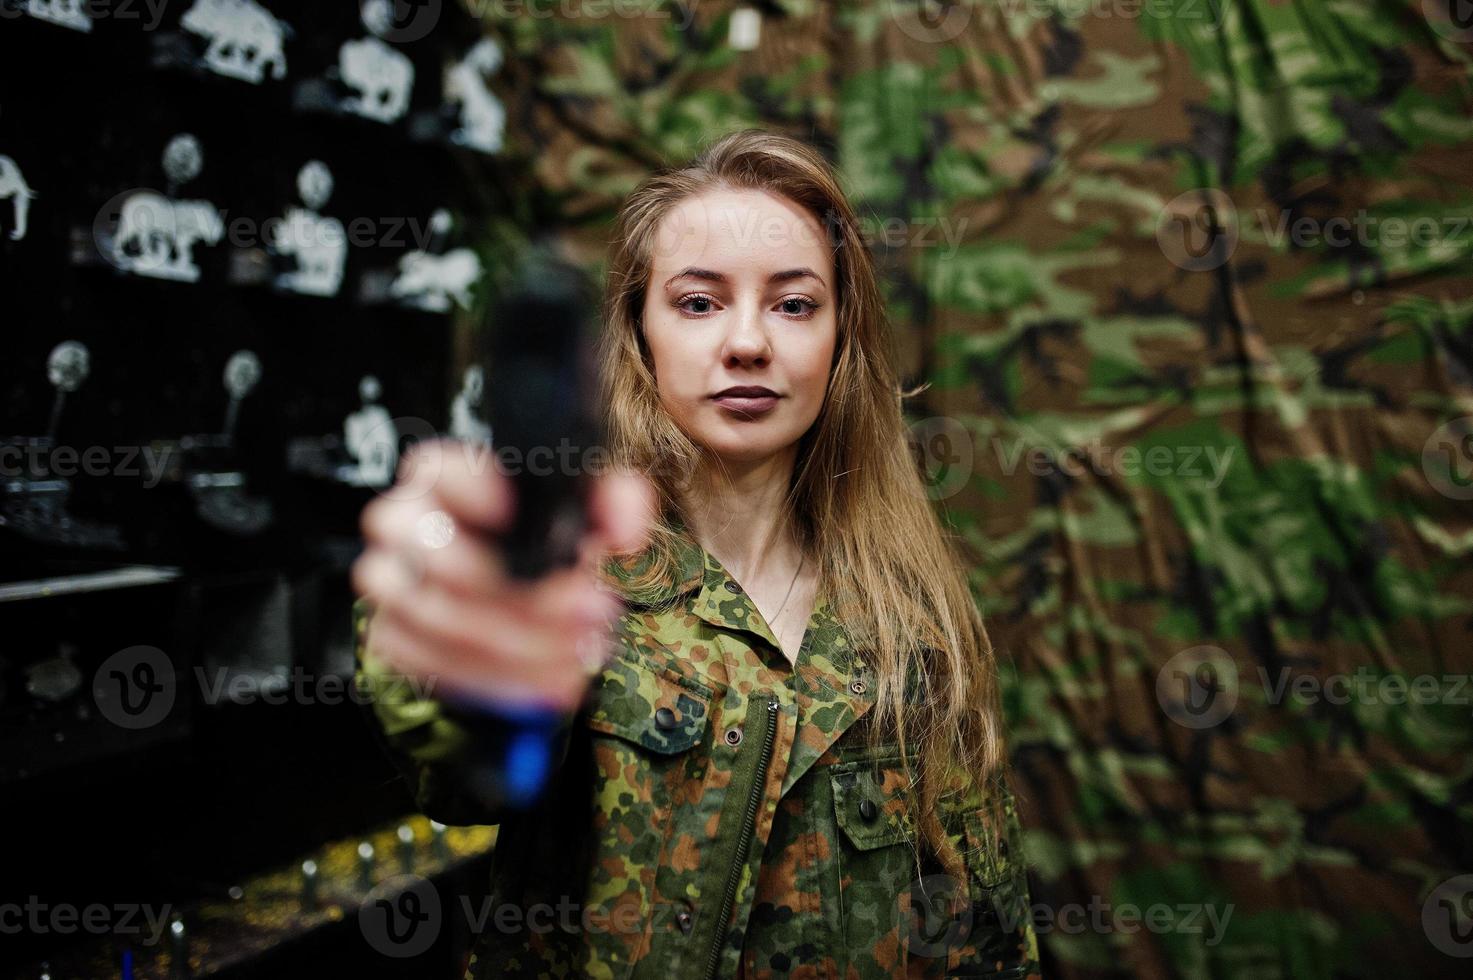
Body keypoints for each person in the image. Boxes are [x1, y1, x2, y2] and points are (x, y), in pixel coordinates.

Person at [350, 129, 1042, 979]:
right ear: (638, 332)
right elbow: (462, 767)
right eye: (698, 302)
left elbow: (986, 917)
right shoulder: (577, 578)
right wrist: (461, 626)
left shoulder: (909, 608)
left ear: (840, 339)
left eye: (793, 304)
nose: (747, 343)